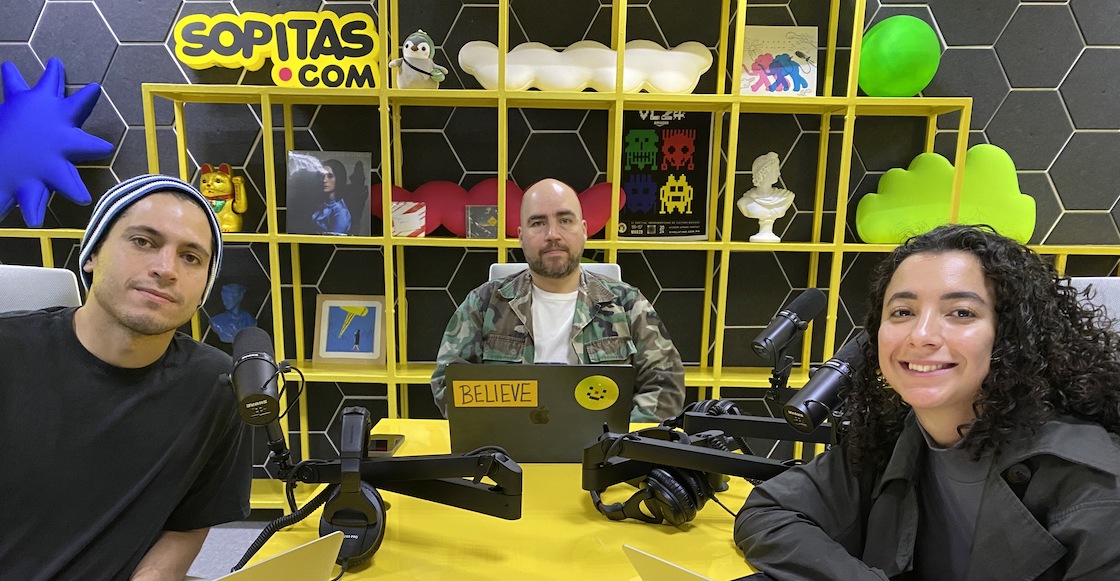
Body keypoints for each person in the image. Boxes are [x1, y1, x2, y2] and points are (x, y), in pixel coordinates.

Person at [734, 224, 1120, 580]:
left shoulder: (1096, 488)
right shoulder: (893, 439)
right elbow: (769, 511)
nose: (921, 335)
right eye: (903, 312)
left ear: (1011, 335)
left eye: (961, 313)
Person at [0, 174, 253, 581]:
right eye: (143, 241)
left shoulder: (217, 384)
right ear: (92, 254)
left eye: (191, 257)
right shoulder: (10, 352)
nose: (166, 269)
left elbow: (190, 520)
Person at [430, 178, 685, 422]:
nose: (553, 234)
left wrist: (621, 439)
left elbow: (665, 382)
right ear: (521, 236)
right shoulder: (482, 303)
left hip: (606, 448)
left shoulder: (628, 304)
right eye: (538, 223)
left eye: (565, 220)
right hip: (508, 447)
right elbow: (447, 382)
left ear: (583, 231)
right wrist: (499, 431)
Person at [736, 152, 794, 242]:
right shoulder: (744, 202)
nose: (778, 173)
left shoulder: (785, 197)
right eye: (775, 169)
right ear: (764, 172)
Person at [311, 158, 352, 235]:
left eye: (330, 176)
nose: (324, 180)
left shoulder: (340, 212)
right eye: (322, 175)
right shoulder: (323, 204)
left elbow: (335, 240)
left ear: (339, 178)